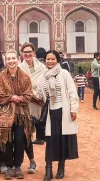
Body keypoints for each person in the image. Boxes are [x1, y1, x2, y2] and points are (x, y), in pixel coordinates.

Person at [36, 50, 79, 181]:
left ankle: (61, 167)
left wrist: (74, 109)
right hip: (50, 112)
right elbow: (39, 94)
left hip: (63, 111)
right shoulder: (43, 76)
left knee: (62, 140)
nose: (50, 61)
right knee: (50, 141)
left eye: (52, 59)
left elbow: (72, 91)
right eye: (47, 59)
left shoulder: (64, 73)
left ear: (58, 60)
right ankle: (48, 170)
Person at [0, 50, 33, 180]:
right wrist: (12, 97)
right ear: (6, 61)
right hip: (5, 114)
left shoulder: (25, 77)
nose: (11, 61)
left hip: (21, 114)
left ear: (18, 59)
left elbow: (28, 96)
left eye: (13, 58)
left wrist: (18, 99)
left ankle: (18, 167)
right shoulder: (1, 76)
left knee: (20, 141)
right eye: (8, 59)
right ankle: (9, 168)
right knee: (7, 141)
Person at [19, 43, 46, 168]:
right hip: (25, 106)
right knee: (26, 135)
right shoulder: (19, 68)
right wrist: (31, 95)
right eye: (25, 52)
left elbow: (46, 86)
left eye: (30, 51)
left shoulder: (43, 68)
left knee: (47, 134)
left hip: (40, 105)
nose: (28, 54)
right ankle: (32, 161)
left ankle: (49, 163)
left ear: (34, 53)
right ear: (22, 54)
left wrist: (38, 96)